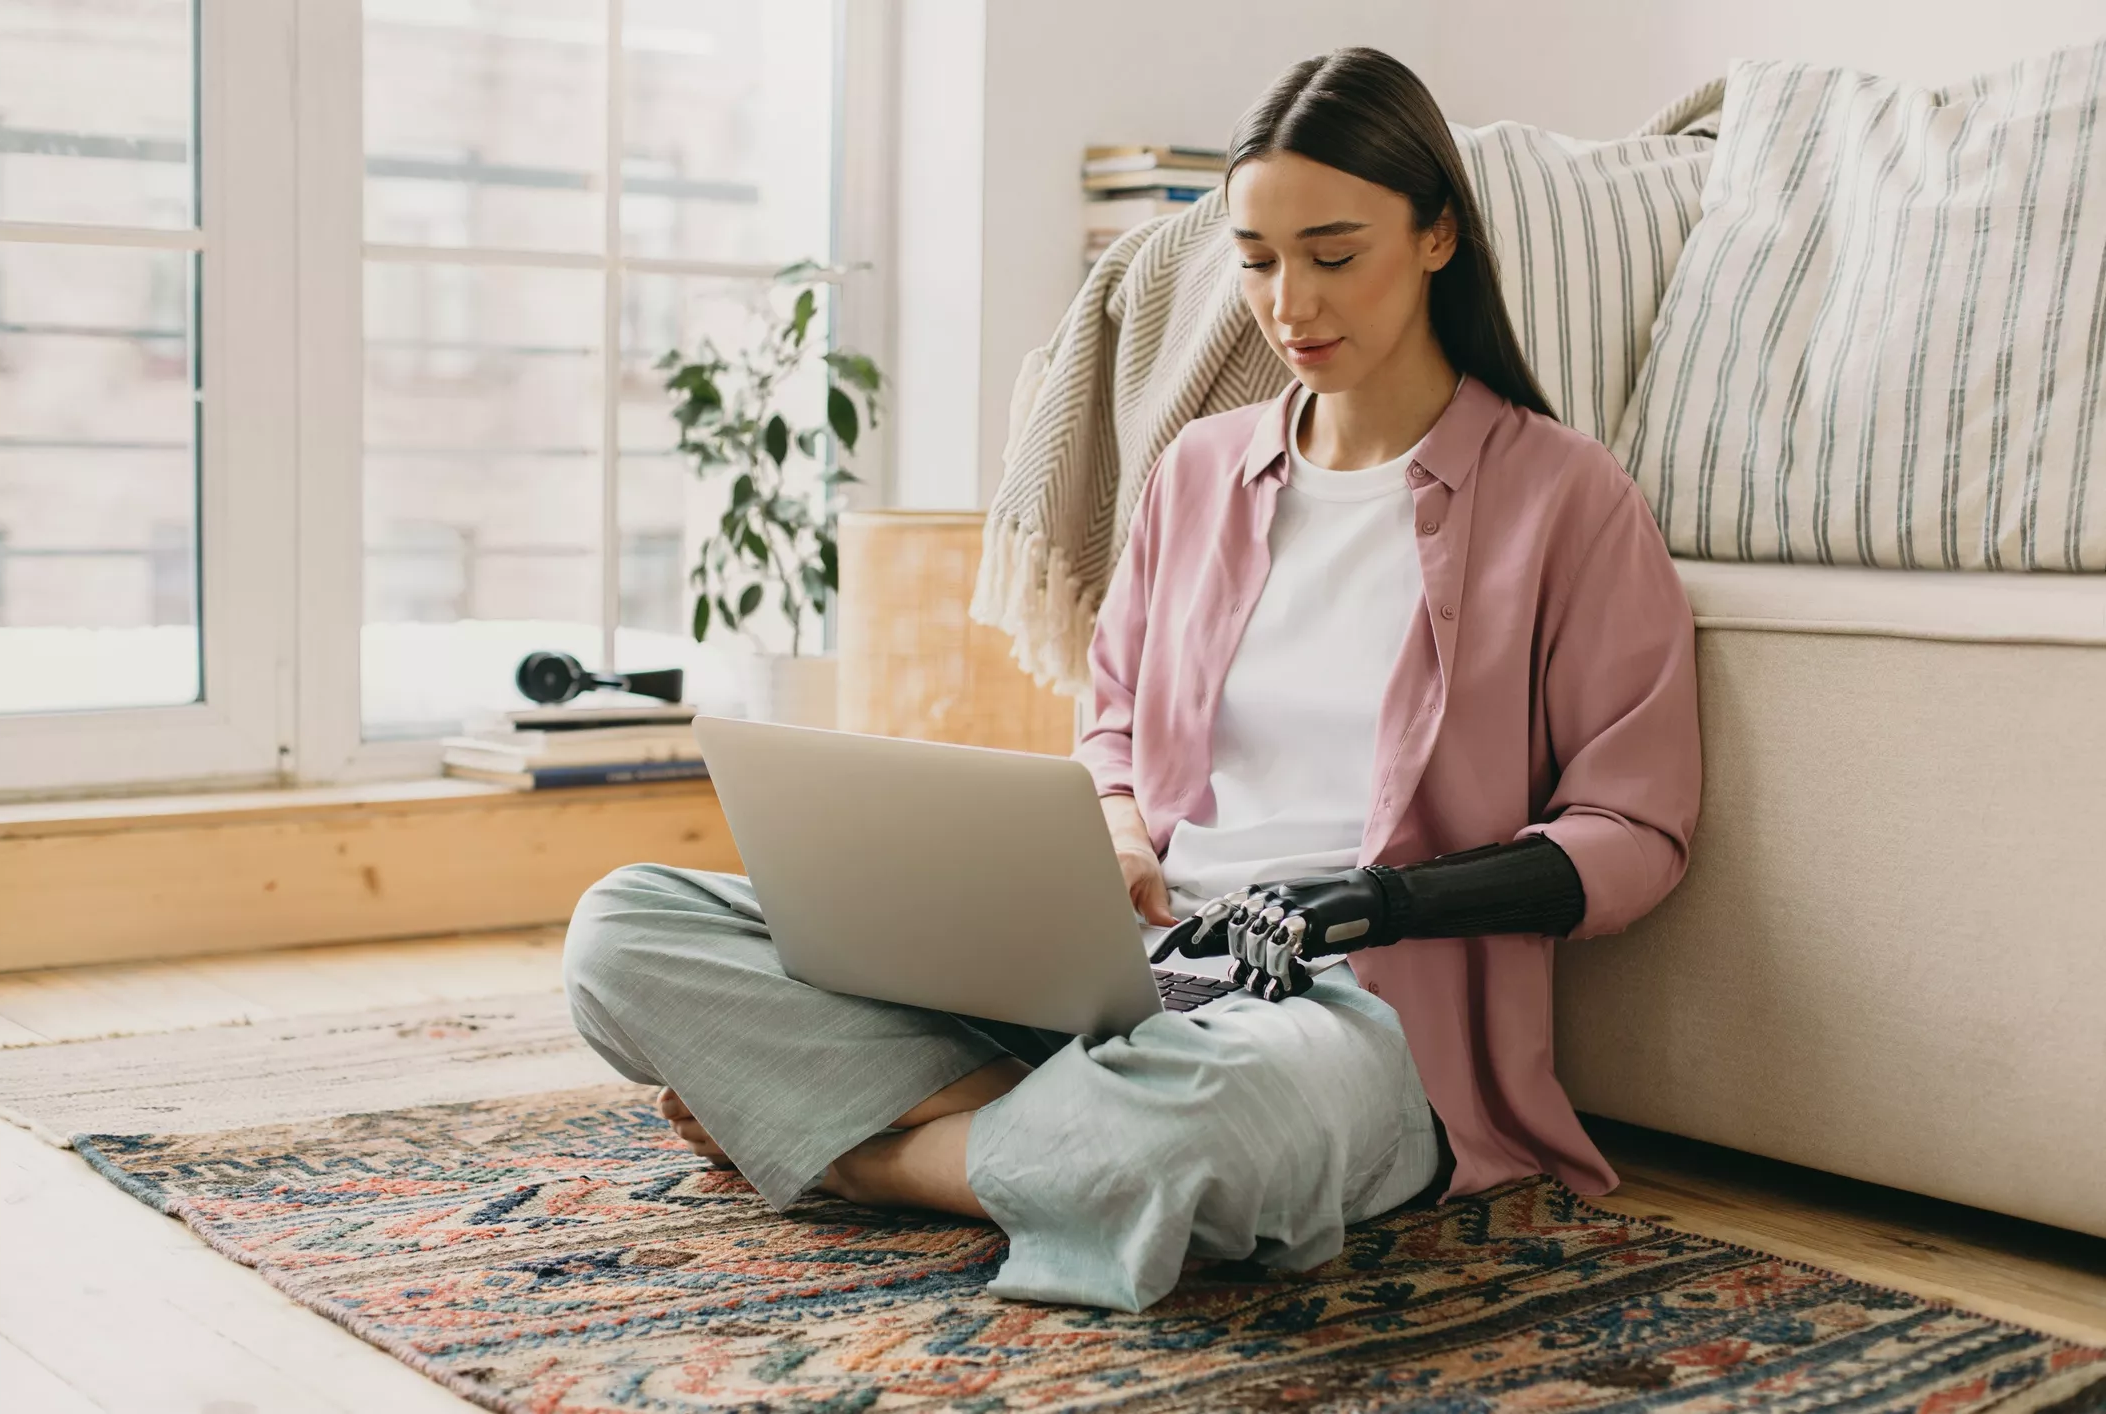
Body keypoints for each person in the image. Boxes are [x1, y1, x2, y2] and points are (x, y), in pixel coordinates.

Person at [560, 46, 1701, 1314]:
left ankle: (869, 1152)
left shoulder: (1567, 496)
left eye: (1335, 254)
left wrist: (1379, 899)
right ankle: (1047, 1130)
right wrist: (1113, 829)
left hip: (1336, 1014)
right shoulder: (1200, 470)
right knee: (625, 926)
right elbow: (1111, 726)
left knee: (1220, 1125)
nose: (1290, 304)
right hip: (1121, 967)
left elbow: (1634, 833)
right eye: (1256, 260)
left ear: (1438, 236)